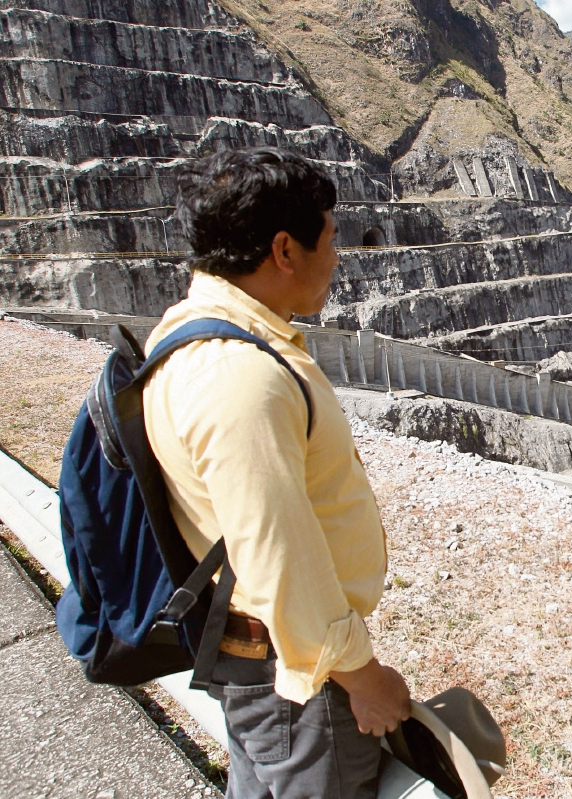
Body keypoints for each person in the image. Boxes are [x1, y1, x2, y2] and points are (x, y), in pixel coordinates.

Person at [143, 146, 410, 798]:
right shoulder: (239, 378)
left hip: (258, 662)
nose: (339, 255)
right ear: (285, 250)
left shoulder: (192, 333)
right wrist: (362, 675)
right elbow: (278, 557)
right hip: (299, 686)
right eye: (332, 237)